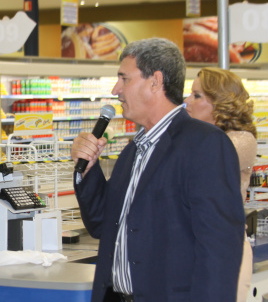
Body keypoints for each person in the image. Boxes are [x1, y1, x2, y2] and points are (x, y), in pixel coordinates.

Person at [70, 38, 245, 302]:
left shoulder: (204, 144)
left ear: (155, 81)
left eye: (124, 78)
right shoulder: (133, 151)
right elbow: (102, 225)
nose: (116, 89)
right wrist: (88, 170)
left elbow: (219, 249)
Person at [185, 67, 257, 302]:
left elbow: (200, 165)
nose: (187, 101)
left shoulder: (241, 141)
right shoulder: (193, 138)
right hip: (188, 248)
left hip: (225, 253)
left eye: (197, 95)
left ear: (220, 103)